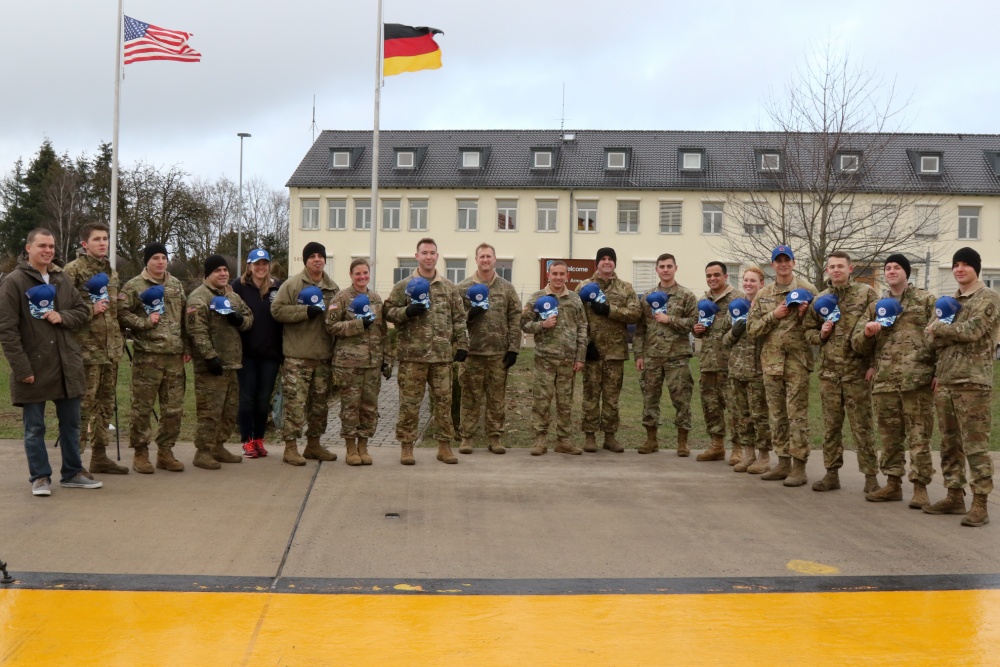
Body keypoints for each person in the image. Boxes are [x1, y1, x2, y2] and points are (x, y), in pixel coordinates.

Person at [0, 228, 103, 496]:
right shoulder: (14, 282)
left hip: (66, 364)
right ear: (28, 248)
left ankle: (72, 473)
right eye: (42, 246)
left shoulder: (61, 279)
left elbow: (82, 311)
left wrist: (62, 316)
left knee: (71, 424)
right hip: (34, 365)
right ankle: (40, 477)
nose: (48, 251)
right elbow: (7, 330)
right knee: (34, 427)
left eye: (52, 246)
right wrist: (22, 368)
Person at [922, 247, 999, 527]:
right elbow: (928, 339)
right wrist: (940, 332)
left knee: (975, 446)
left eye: (966, 264)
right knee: (949, 443)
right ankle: (954, 496)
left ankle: (980, 504)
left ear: (976, 268)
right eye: (956, 264)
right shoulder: (949, 300)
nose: (959, 269)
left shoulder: (988, 298)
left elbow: (973, 331)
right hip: (946, 381)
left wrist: (941, 330)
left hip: (973, 383)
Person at [851, 254, 936, 507]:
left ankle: (920, 488)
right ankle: (893, 484)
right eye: (887, 268)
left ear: (906, 273)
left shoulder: (925, 300)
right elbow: (857, 344)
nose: (891, 271)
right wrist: (867, 332)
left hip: (916, 381)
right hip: (885, 382)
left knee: (919, 437)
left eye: (897, 267)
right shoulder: (877, 305)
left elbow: (940, 337)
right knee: (889, 437)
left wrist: (938, 371)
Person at [385, 238, 469, 465]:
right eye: (424, 253)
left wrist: (462, 345)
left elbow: (459, 319)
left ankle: (444, 446)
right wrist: (407, 312)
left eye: (432, 253)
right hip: (413, 356)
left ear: (437, 256)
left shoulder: (449, 287)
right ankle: (406, 447)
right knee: (409, 403)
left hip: (442, 357)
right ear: (417, 256)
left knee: (444, 403)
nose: (429, 257)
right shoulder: (404, 285)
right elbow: (389, 312)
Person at [803, 251, 878, 494]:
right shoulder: (820, 299)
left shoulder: (866, 294)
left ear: (850, 268)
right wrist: (821, 334)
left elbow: (880, 332)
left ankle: (870, 476)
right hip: (829, 374)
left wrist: (873, 364)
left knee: (862, 426)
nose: (836, 270)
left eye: (840, 266)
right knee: (831, 426)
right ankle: (831, 473)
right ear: (827, 270)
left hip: (857, 373)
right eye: (832, 266)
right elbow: (808, 332)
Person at [747, 245, 818, 487]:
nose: (783, 264)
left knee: (796, 416)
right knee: (777, 416)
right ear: (773, 265)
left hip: (797, 363)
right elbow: (751, 329)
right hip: (771, 364)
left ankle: (799, 467)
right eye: (778, 261)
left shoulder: (808, 290)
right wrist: (773, 316)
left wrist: (805, 316)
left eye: (787, 260)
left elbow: (819, 325)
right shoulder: (764, 294)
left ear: (794, 263)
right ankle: (783, 462)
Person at [118, 242, 190, 474]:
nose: (160, 262)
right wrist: (143, 323)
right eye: (155, 258)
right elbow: (121, 314)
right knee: (142, 407)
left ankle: (166, 452)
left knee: (173, 408)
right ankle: (140, 453)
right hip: (147, 356)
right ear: (147, 261)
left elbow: (185, 317)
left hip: (174, 356)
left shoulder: (176, 284)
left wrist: (187, 346)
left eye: (164, 257)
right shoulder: (133, 286)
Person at [62, 222, 128, 475]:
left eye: (105, 239)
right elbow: (62, 311)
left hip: (110, 351)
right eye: (97, 239)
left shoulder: (110, 271)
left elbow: (114, 310)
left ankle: (99, 457)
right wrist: (91, 310)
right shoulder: (73, 271)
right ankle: (74, 464)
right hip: (85, 352)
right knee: (82, 408)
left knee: (105, 406)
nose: (103, 243)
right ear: (84, 244)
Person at [271, 241, 340, 466]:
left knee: (320, 406)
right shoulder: (292, 285)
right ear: (305, 260)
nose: (317, 260)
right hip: (298, 357)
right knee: (295, 405)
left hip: (323, 357)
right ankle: (290, 448)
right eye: (313, 256)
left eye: (321, 256)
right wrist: (304, 311)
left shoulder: (333, 288)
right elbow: (277, 310)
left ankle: (313, 444)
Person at [185, 255, 254, 469]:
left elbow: (249, 317)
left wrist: (239, 320)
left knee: (228, 410)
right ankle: (203, 451)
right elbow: (197, 331)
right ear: (208, 274)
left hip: (232, 363)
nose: (223, 274)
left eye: (225, 270)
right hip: (211, 366)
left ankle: (218, 446)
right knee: (210, 412)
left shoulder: (232, 297)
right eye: (218, 271)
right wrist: (210, 356)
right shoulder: (199, 298)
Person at [456, 243, 522, 454]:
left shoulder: (506, 288)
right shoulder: (463, 288)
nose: (485, 260)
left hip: (498, 354)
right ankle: (466, 438)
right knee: (470, 397)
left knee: (496, 398)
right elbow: (455, 320)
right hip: (472, 353)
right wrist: (469, 316)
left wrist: (513, 348)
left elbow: (515, 318)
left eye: (489, 256)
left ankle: (495, 437)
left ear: (495, 259)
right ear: (476, 259)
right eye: (482, 256)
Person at [576, 247, 641, 453]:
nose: (606, 262)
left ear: (614, 263)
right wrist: (586, 345)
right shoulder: (584, 286)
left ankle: (610, 437)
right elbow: (576, 317)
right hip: (592, 351)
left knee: (612, 397)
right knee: (591, 395)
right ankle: (589, 436)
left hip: (615, 352)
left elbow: (635, 314)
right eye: (602, 259)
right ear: (597, 263)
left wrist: (609, 310)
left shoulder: (625, 287)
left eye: (610, 259)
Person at [326, 258, 390, 466]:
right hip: (349, 364)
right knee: (350, 406)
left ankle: (364, 446)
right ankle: (350, 448)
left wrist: (386, 359)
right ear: (351, 275)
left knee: (369, 407)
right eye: (358, 274)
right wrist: (358, 324)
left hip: (372, 363)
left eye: (365, 273)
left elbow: (383, 332)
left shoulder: (376, 299)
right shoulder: (342, 298)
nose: (362, 277)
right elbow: (331, 326)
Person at [521, 260, 588, 455]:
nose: (558, 277)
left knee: (565, 402)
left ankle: (563, 441)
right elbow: (523, 323)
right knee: (542, 400)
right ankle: (540, 440)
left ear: (567, 276)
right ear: (548, 275)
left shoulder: (574, 299)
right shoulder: (537, 298)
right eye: (554, 273)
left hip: (568, 360)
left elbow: (583, 327)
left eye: (562, 274)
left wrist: (580, 356)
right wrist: (542, 325)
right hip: (545, 360)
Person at [635, 253, 697, 455]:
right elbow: (640, 329)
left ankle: (682, 442)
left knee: (681, 399)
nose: (665, 269)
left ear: (676, 268)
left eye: (669, 266)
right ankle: (651, 440)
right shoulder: (647, 297)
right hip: (652, 357)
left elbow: (693, 324)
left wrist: (669, 319)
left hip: (676, 357)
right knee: (650, 399)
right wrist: (639, 355)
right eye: (662, 266)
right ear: (657, 270)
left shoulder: (686, 295)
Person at [231, 248, 283, 458]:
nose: (261, 267)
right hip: (247, 353)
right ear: (249, 266)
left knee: (263, 400)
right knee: (247, 398)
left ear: (269, 265)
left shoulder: (277, 287)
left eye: (265, 263)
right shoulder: (238, 286)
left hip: (270, 353)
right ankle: (247, 440)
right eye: (256, 264)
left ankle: (259, 438)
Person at [722, 267, 773, 473]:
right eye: (746, 280)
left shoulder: (766, 307)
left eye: (753, 280)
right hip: (737, 370)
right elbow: (724, 340)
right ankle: (748, 454)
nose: (749, 284)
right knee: (742, 416)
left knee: (759, 416)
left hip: (758, 370)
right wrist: (734, 332)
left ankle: (764, 457)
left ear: (762, 283)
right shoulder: (735, 307)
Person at [693, 261, 744, 463]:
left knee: (735, 407)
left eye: (716, 275)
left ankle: (739, 448)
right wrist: (695, 329)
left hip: (731, 363)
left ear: (725, 276)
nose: (712, 279)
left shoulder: (738, 298)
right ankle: (717, 446)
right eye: (708, 276)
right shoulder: (703, 299)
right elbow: (699, 327)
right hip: (708, 362)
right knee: (711, 406)